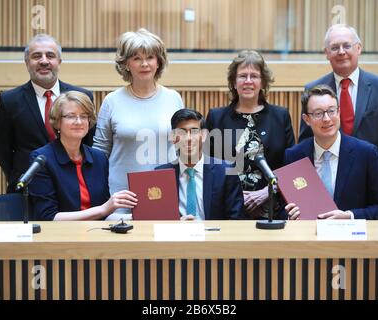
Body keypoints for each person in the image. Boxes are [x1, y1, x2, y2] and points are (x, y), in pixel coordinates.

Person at [93, 28, 183, 218]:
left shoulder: (173, 98)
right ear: (126, 64)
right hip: (121, 197)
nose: (144, 64)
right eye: (136, 58)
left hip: (163, 194)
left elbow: (182, 148)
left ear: (158, 62)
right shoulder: (111, 101)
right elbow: (100, 153)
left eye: (150, 57)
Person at [0, 34, 94, 193]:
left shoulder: (83, 96)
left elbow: (89, 143)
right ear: (27, 63)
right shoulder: (9, 100)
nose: (44, 61)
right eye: (36, 56)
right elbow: (3, 149)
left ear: (59, 62)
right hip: (29, 189)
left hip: (74, 187)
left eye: (50, 55)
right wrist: (20, 175)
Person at [299, 24, 378, 174]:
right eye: (334, 48)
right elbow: (306, 141)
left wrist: (369, 170)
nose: (341, 52)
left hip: (371, 181)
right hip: (326, 178)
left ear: (359, 48)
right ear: (326, 53)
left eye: (347, 46)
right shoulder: (312, 90)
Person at [206, 50, 295, 219]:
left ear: (262, 82)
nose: (248, 81)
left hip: (272, 207)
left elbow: (290, 167)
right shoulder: (216, 118)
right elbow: (209, 166)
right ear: (233, 81)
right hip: (227, 207)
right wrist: (237, 194)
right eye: (242, 76)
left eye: (254, 76)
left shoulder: (280, 116)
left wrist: (267, 191)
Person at [285, 85, 378, 220]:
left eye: (331, 111)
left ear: (339, 112)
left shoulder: (366, 153)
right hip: (308, 236)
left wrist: (350, 216)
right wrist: (290, 216)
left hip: (352, 237)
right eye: (318, 113)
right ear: (307, 119)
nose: (326, 119)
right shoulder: (294, 156)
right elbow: (282, 207)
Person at [28, 91, 137, 221]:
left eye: (84, 116)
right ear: (57, 122)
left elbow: (103, 215)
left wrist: (135, 218)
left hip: (97, 234)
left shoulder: (99, 158)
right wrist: (104, 208)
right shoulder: (42, 159)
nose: (79, 121)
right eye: (71, 116)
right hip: (60, 236)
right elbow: (47, 217)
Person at [156, 109, 245, 220]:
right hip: (176, 236)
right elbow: (155, 219)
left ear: (204, 135)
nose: (188, 138)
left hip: (215, 236)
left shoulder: (225, 171)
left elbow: (236, 219)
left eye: (194, 131)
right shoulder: (160, 175)